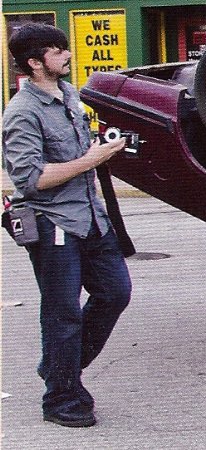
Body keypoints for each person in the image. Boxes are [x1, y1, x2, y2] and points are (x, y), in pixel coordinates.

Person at [2, 22, 131, 428]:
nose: (67, 55)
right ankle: (62, 399)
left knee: (115, 293)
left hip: (92, 218)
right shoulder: (21, 114)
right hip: (54, 224)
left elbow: (79, 150)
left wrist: (104, 147)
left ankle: (59, 367)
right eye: (58, 51)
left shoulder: (68, 96)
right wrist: (91, 161)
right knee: (62, 314)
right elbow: (31, 180)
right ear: (34, 63)